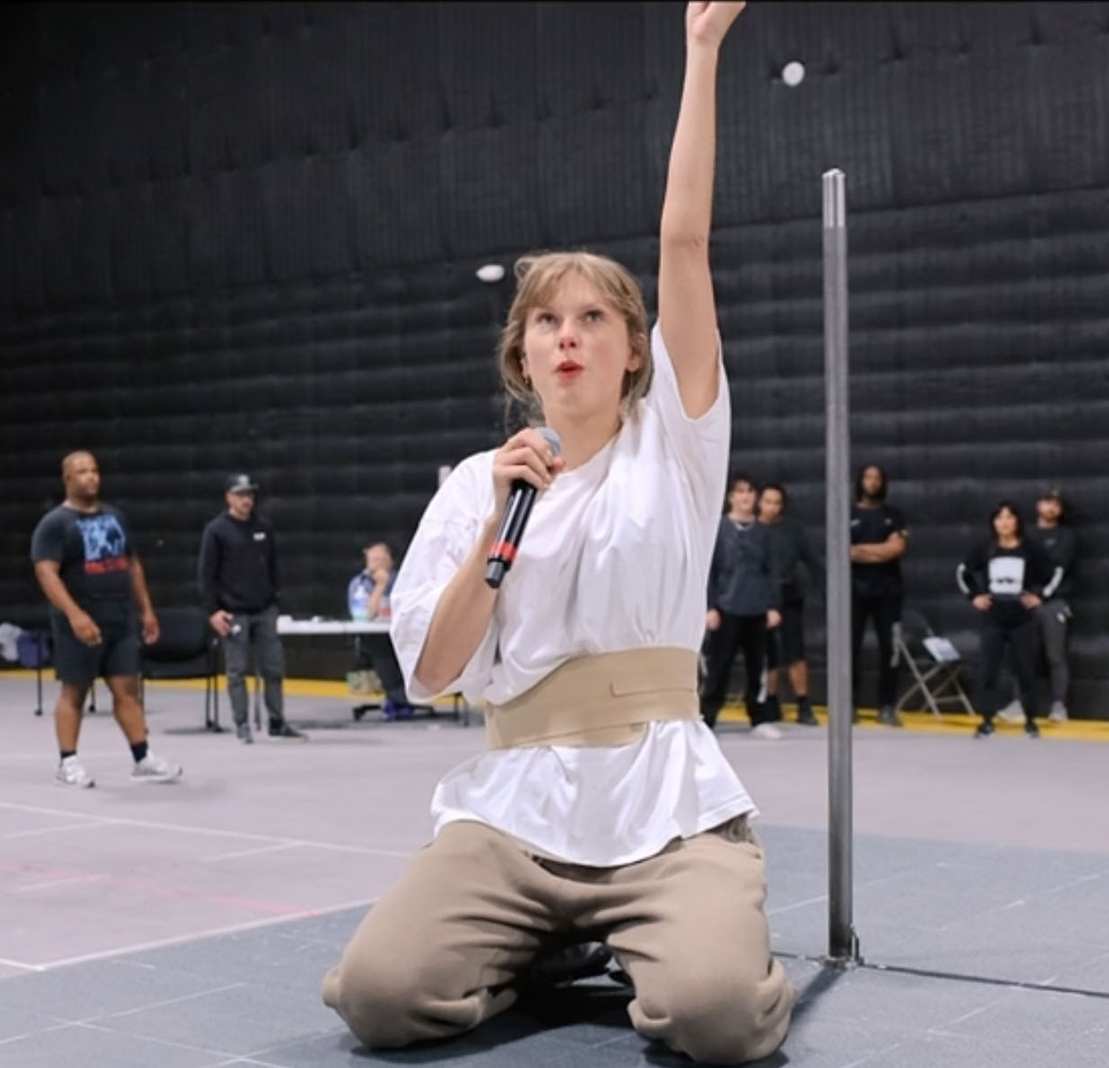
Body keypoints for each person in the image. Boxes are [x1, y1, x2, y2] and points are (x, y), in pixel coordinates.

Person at [321, 5, 794, 1064]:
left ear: (635, 352)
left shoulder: (675, 447)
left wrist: (701, 52)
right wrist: (495, 528)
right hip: (518, 807)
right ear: (521, 357)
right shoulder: (471, 489)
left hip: (659, 797)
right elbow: (437, 672)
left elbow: (682, 238)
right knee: (376, 998)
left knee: (715, 1019)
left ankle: (676, 926)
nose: (568, 335)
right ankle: (548, 946)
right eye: (546, 320)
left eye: (593, 319)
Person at [28, 451, 183, 787]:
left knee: (127, 689)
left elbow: (132, 563)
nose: (91, 477)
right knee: (75, 692)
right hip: (81, 621)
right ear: (67, 479)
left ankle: (142, 758)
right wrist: (75, 615)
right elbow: (46, 573)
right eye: (82, 472)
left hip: (120, 617)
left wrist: (146, 610)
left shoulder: (115, 516)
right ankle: (67, 763)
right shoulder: (55, 524)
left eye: (95, 470)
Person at [198, 473, 303, 743]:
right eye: (241, 495)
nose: (246, 500)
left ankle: (277, 720)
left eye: (249, 495)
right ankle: (242, 723)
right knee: (236, 670)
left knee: (273, 667)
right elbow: (206, 574)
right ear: (229, 497)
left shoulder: (263, 527)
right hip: (234, 612)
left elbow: (272, 566)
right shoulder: (217, 530)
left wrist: (275, 599)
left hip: (264, 609)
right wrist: (213, 610)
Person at [956, 501, 1055, 739]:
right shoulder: (986, 548)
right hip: (994, 616)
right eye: (1000, 518)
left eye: (1010, 517)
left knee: (1025, 669)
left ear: (1018, 521)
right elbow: (962, 572)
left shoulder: (1030, 548)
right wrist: (974, 597)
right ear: (993, 523)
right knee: (989, 669)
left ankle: (1031, 719)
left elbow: (1054, 573)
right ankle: (987, 719)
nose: (1005, 522)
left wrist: (1040, 595)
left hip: (1021, 616)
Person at [701, 474, 783, 737]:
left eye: (750, 491)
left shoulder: (764, 534)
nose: (745, 497)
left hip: (756, 609)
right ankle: (708, 716)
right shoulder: (718, 529)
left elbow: (771, 571)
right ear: (730, 497)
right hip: (726, 608)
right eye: (740, 491)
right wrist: (710, 606)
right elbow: (709, 571)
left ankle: (758, 717)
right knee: (719, 666)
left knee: (756, 666)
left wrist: (773, 606)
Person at [849, 462, 907, 727]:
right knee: (850, 649)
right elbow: (845, 551)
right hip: (854, 591)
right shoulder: (847, 513)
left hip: (888, 593)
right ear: (860, 481)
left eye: (877, 478)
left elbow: (895, 549)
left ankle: (887, 705)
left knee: (889, 650)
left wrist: (862, 551)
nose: (872, 482)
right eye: (868, 477)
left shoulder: (893, 515)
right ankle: (849, 704)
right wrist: (879, 550)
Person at [759, 482, 822, 725]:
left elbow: (813, 562)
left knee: (795, 650)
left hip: (789, 594)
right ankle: (770, 700)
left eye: (777, 503)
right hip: (760, 595)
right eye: (768, 502)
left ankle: (803, 702)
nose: (772, 507)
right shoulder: (753, 531)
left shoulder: (792, 531)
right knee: (768, 652)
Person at [347, 540, 416, 721]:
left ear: (390, 561)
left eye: (381, 560)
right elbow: (366, 615)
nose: (377, 564)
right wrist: (380, 586)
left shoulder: (404, 581)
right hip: (374, 637)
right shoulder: (359, 584)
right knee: (380, 647)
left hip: (403, 634)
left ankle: (404, 696)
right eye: (373, 560)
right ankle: (398, 697)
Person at [1032, 489, 1076, 721]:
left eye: (1056, 504)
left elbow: (1058, 568)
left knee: (1055, 655)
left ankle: (1059, 705)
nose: (1051, 508)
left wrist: (1042, 594)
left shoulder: (1066, 536)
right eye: (1047, 502)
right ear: (1038, 504)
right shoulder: (1026, 535)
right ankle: (1020, 703)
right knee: (1023, 655)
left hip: (1054, 603)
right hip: (1027, 602)